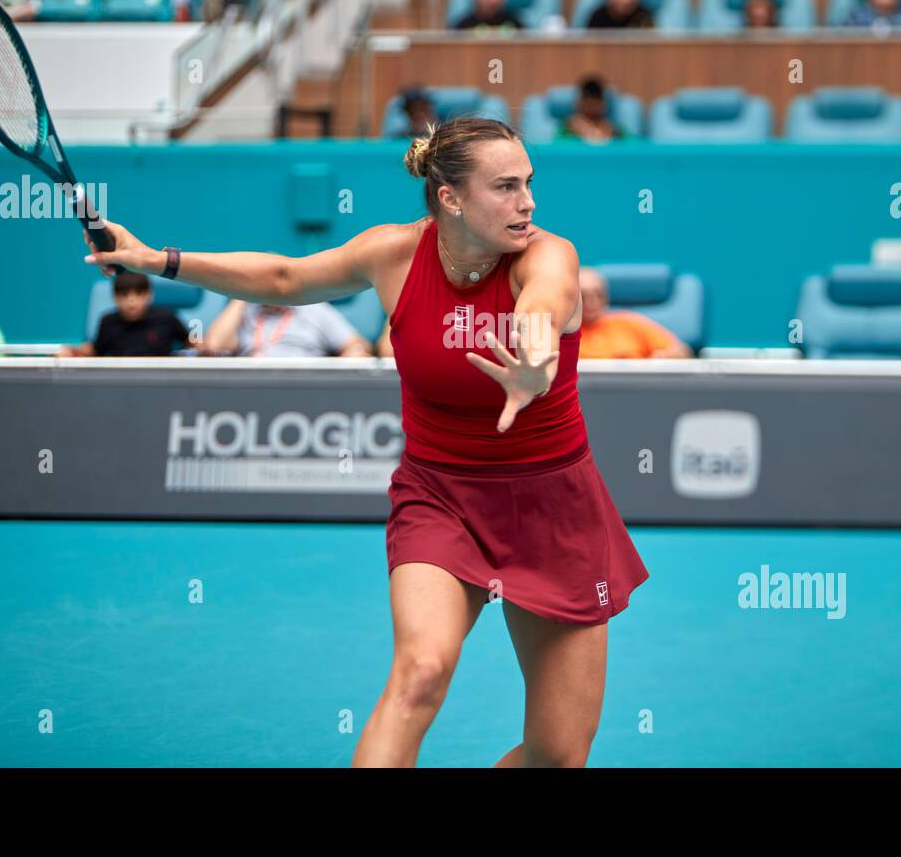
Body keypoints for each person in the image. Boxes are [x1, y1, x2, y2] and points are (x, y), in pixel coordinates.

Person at [77, 116, 650, 767]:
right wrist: (158, 259)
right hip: (442, 498)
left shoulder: (548, 254)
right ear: (450, 198)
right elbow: (287, 280)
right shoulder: (394, 255)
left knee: (557, 756)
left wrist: (534, 356)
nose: (528, 202)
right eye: (506, 186)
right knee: (421, 671)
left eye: (529, 183)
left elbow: (542, 303)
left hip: (554, 507)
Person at [57, 271, 201, 356]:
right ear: (115, 298)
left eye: (138, 294)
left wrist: (207, 349)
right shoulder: (107, 322)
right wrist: (72, 352)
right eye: (124, 294)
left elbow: (193, 344)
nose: (131, 301)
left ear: (149, 296)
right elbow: (95, 351)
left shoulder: (167, 317)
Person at [577, 267, 692, 359]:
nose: (592, 302)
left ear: (606, 297)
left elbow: (683, 352)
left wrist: (666, 357)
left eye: (598, 295)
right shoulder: (565, 333)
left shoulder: (630, 323)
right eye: (584, 296)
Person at [203, 298, 372, 357]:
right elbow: (215, 346)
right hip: (250, 384)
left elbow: (357, 344)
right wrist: (241, 296)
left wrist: (352, 353)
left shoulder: (314, 308)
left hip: (305, 383)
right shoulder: (246, 311)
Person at [557, 75, 630, 142]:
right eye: (588, 103)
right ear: (579, 104)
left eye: (596, 102)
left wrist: (613, 134)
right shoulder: (568, 127)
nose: (592, 107)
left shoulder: (612, 129)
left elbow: (633, 143)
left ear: (603, 104)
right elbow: (556, 146)